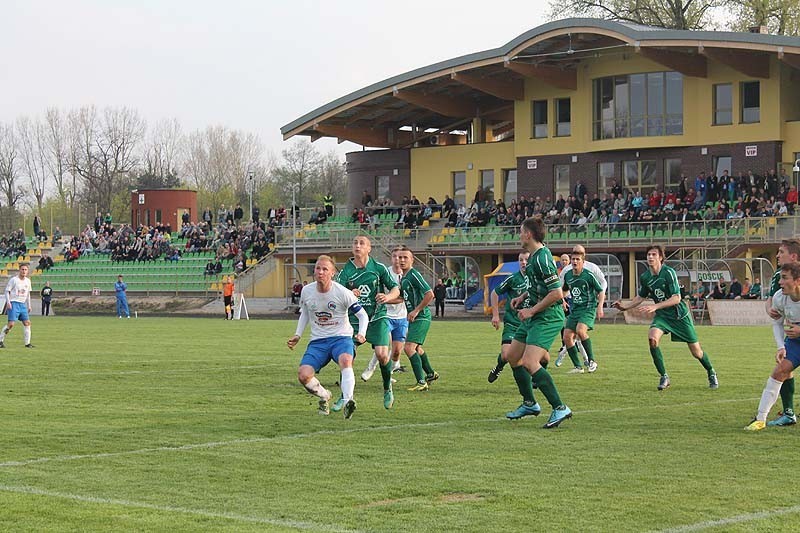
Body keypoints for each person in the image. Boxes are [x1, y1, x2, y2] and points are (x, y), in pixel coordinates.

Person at [613, 244, 718, 391]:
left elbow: (676, 298)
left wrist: (655, 306)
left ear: (661, 258)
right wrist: (625, 307)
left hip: (679, 315)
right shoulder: (645, 277)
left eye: (654, 254)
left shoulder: (669, 273)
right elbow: (641, 297)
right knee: (652, 339)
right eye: (649, 254)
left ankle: (711, 371)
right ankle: (664, 376)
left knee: (696, 352)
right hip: (663, 316)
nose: (650, 257)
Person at [505, 217, 572, 428]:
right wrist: (523, 297)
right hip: (533, 314)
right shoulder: (534, 257)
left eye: (520, 231)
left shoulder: (543, 258)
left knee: (529, 362)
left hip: (547, 317)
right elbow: (538, 286)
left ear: (528, 234)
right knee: (512, 357)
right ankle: (530, 403)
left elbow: (556, 293)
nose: (518, 235)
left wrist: (531, 310)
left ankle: (560, 407)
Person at [287, 255, 368, 419]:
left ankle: (347, 401)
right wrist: (297, 334)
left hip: (341, 337)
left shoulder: (343, 292)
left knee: (346, 361)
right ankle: (324, 396)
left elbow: (362, 315)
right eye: (318, 268)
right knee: (303, 375)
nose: (320, 272)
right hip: (318, 341)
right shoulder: (307, 291)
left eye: (325, 269)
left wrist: (361, 333)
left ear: (332, 273)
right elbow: (305, 313)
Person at [336, 235, 400, 410]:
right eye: (355, 242)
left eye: (361, 243)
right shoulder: (345, 271)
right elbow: (336, 292)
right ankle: (344, 396)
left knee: (382, 355)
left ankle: (387, 388)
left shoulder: (378, 268)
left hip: (377, 318)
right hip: (354, 320)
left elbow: (395, 288)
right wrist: (350, 293)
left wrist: (387, 296)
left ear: (369, 248)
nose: (357, 245)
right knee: (346, 356)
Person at [745, 262, 800, 431]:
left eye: (784, 278)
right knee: (779, 372)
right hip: (795, 341)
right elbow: (777, 323)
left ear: (797, 280)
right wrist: (780, 347)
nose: (780, 282)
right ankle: (760, 419)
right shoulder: (779, 297)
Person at [764, 239, 800, 425]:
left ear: (793, 256)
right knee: (784, 367)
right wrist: (770, 308)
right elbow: (772, 300)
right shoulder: (780, 274)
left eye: (781, 252)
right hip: (793, 334)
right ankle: (788, 412)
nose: (777, 256)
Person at [556, 244, 608, 368]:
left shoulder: (589, 273)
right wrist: (561, 300)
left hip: (588, 307)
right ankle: (577, 367)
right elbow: (563, 290)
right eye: (573, 258)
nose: (575, 261)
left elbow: (600, 289)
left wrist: (600, 306)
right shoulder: (567, 273)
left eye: (578, 259)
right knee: (567, 337)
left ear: (583, 260)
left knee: (580, 331)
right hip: (575, 309)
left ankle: (591, 361)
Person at [362, 248, 408, 382]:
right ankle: (370, 368)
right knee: (383, 346)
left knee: (396, 352)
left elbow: (403, 297)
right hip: (385, 315)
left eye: (401, 257)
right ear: (391, 258)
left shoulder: (406, 276)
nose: (398, 260)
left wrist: (387, 298)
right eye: (394, 256)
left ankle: (390, 373)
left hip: (401, 316)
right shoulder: (384, 272)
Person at [396, 245, 438, 391]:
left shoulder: (414, 274)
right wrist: (384, 299)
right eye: (399, 257)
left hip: (421, 317)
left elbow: (430, 294)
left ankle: (421, 382)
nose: (401, 260)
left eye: (405, 257)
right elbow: (401, 297)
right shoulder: (404, 277)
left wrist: (416, 310)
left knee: (408, 348)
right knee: (417, 348)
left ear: (412, 260)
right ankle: (431, 374)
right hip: (415, 318)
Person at [488, 251, 530, 383]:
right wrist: (495, 315)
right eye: (521, 260)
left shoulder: (536, 279)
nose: (523, 262)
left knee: (540, 358)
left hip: (530, 325)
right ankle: (499, 366)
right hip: (512, 324)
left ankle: (532, 382)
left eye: (526, 260)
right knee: (506, 355)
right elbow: (494, 293)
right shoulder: (513, 278)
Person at [0, 264, 33, 348]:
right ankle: (0, 340)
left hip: (22, 304)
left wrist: (29, 305)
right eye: (22, 269)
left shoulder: (28, 281)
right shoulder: (14, 280)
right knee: (11, 324)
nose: (24, 271)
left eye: (25, 270)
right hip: (14, 303)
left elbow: (28, 294)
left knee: (27, 323)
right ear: (19, 270)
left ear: (27, 271)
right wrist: (8, 302)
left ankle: (27, 343)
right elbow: (7, 291)